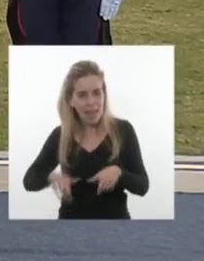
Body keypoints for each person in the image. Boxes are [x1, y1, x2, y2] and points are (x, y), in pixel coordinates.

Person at [22, 60, 149, 219]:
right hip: (71, 224)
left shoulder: (123, 130)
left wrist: (119, 173)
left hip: (115, 224)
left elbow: (143, 186)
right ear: (71, 100)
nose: (91, 102)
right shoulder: (61, 135)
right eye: (82, 95)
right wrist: (53, 177)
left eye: (97, 93)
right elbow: (30, 180)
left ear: (104, 95)